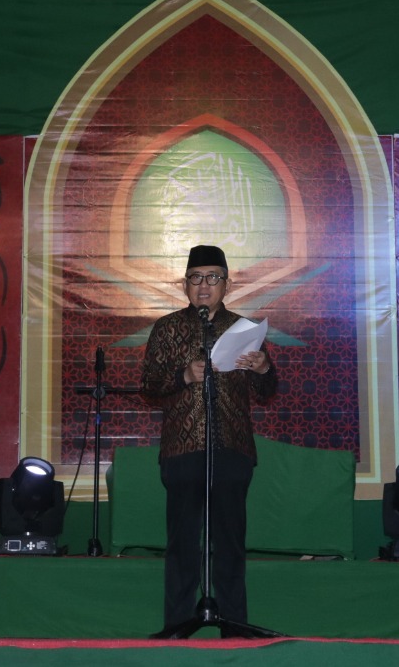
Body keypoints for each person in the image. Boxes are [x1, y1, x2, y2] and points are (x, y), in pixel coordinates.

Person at [140, 244, 278, 638]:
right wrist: (183, 376)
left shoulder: (244, 329)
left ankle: (234, 628)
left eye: (213, 278)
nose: (204, 286)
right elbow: (148, 385)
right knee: (182, 544)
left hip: (232, 449)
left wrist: (263, 368)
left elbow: (267, 391)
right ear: (185, 285)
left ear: (226, 284)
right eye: (196, 278)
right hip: (182, 451)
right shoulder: (167, 328)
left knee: (230, 544)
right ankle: (176, 627)